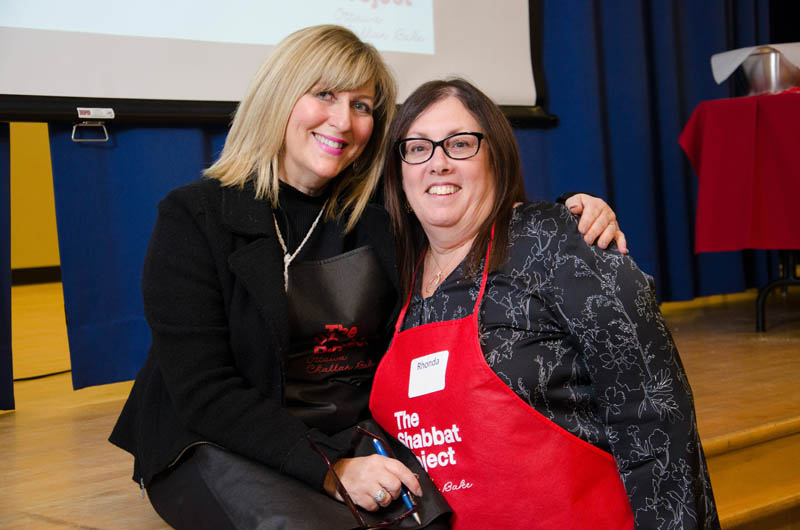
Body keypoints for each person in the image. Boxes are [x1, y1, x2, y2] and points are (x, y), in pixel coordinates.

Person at [109, 26, 627, 529]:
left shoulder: (382, 209)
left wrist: (568, 214)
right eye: (325, 95)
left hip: (348, 429)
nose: (343, 121)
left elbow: (474, 212)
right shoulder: (195, 216)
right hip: (218, 439)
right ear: (278, 96)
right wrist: (330, 471)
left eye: (362, 106)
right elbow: (204, 392)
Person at [370, 78, 719, 530]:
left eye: (460, 144)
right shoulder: (394, 276)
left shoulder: (559, 243)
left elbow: (655, 413)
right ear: (398, 171)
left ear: (496, 157)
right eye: (418, 148)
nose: (438, 163)